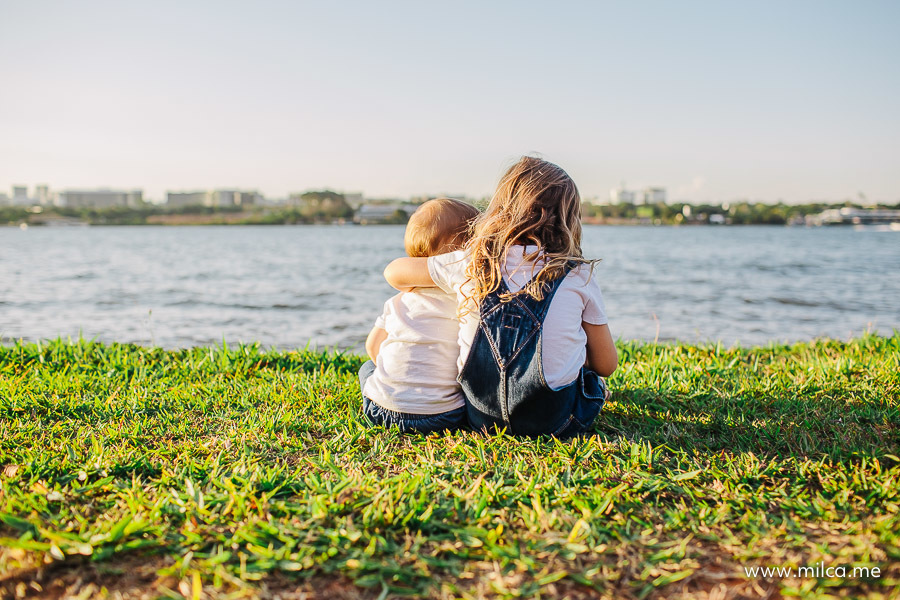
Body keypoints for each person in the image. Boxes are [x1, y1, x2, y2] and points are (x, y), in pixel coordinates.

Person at [383, 156, 617, 437]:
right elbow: (606, 364)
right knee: (591, 382)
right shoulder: (578, 275)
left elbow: (393, 273)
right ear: (570, 219)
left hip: (481, 419)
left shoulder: (469, 262)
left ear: (500, 209)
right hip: (554, 424)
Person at [359, 197, 480, 433]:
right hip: (444, 416)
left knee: (367, 368)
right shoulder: (466, 300)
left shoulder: (398, 301)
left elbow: (373, 347)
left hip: (380, 411)